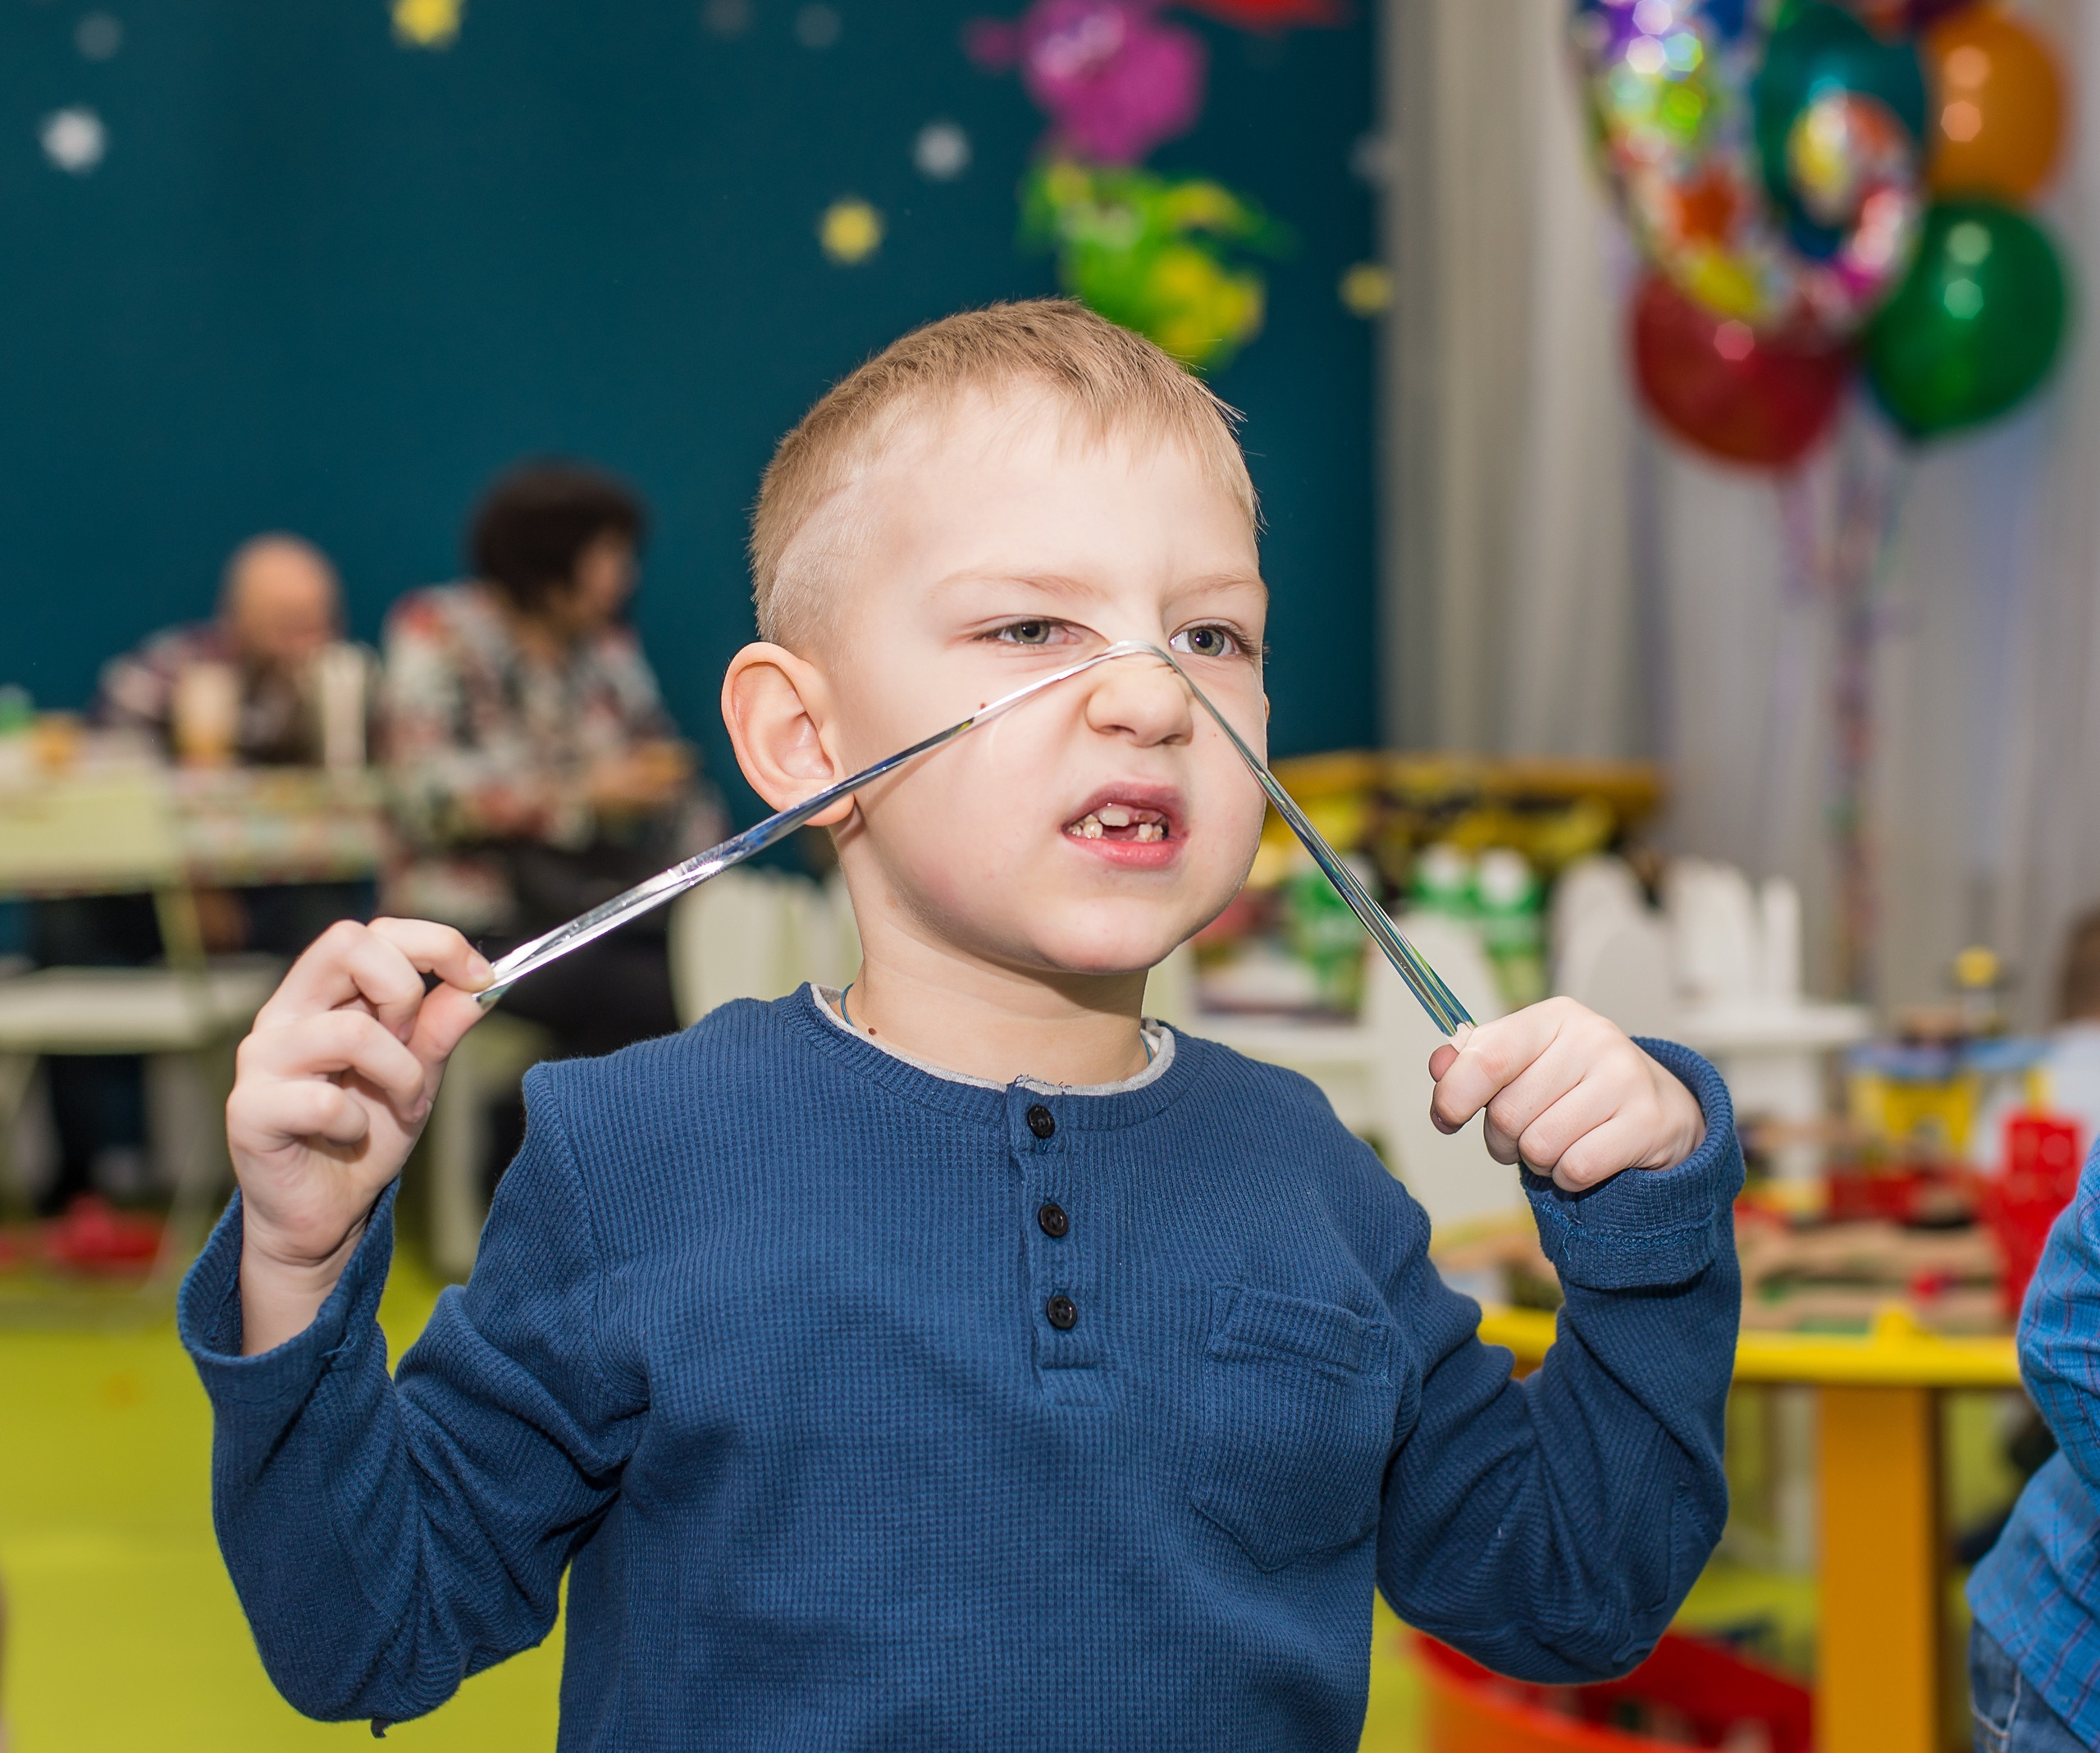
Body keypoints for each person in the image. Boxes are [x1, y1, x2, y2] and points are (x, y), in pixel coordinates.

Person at [180, 302, 1742, 1748]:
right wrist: (298, 1271)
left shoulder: (1310, 1176)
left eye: (1210, 637)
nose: (1150, 699)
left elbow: (1572, 1594)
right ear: (806, 739)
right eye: (1030, 631)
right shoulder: (632, 1157)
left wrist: (1648, 1213)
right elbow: (366, 1632)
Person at [30, 535, 374, 1212]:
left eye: (318, 620)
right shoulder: (166, 672)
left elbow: (367, 800)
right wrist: (193, 883)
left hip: (279, 896)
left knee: (332, 924)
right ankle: (80, 1177)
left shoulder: (343, 684)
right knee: (63, 924)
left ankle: (309, 1157)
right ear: (236, 617)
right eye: (285, 622)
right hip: (155, 902)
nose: (304, 640)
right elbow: (105, 788)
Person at [381, 461, 715, 1067]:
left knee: (705, 965)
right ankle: (539, 1142)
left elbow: (662, 759)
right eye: (611, 555)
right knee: (644, 993)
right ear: (553, 558)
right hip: (469, 924)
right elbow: (423, 793)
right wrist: (583, 796)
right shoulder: (439, 629)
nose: (626, 576)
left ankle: (539, 1137)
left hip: (588, 905)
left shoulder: (606, 648)